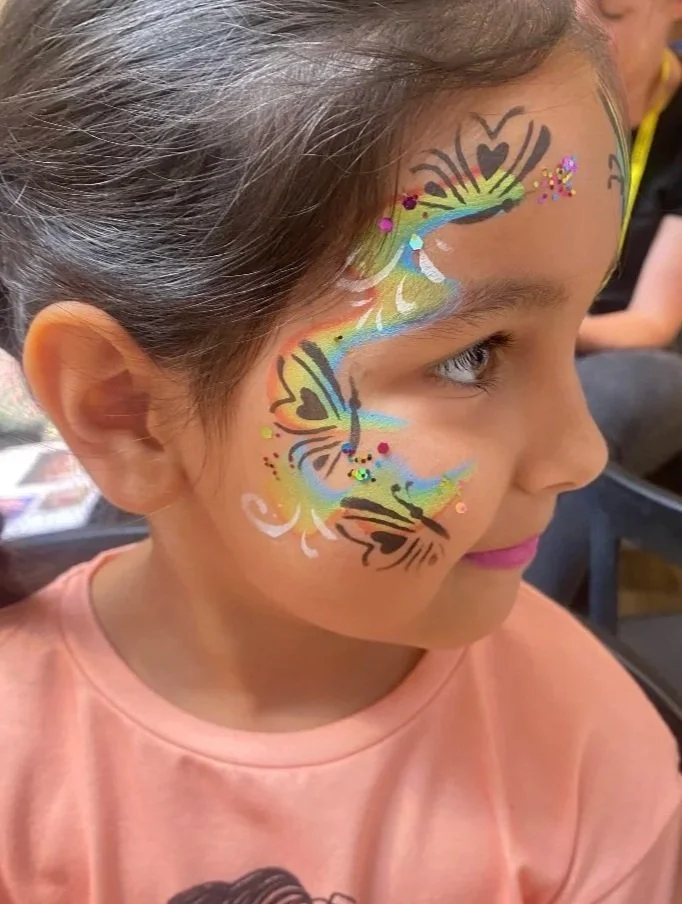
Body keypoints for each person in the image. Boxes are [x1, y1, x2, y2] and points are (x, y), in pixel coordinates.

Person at [0, 1, 680, 901]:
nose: (580, 452)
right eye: (473, 356)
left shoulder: (591, 756)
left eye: (575, 321)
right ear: (127, 409)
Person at [526, 0, 682, 606]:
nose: (581, 28)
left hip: (643, 354)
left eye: (612, 11)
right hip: (546, 329)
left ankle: (517, 635)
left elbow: (653, 322)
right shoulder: (542, 99)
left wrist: (544, 331)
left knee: (588, 404)